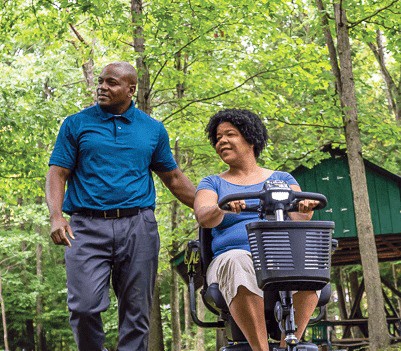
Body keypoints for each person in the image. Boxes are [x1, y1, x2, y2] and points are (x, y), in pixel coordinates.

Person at [45, 61, 196, 351]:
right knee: (84, 308)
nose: (102, 87)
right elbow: (57, 172)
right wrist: (56, 216)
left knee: (137, 314)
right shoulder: (76, 124)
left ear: (131, 89)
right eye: (101, 81)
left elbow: (174, 178)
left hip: (138, 226)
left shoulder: (152, 129)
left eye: (111, 82)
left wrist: (210, 208)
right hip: (85, 228)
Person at [194, 108, 319, 351]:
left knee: (311, 261)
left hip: (280, 260)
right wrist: (224, 208)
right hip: (231, 259)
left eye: (230, 134)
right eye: (218, 137)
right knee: (239, 259)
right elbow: (204, 216)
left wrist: (303, 205)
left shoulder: (282, 179)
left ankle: (285, 347)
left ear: (250, 138)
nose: (222, 141)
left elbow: (301, 216)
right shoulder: (212, 183)